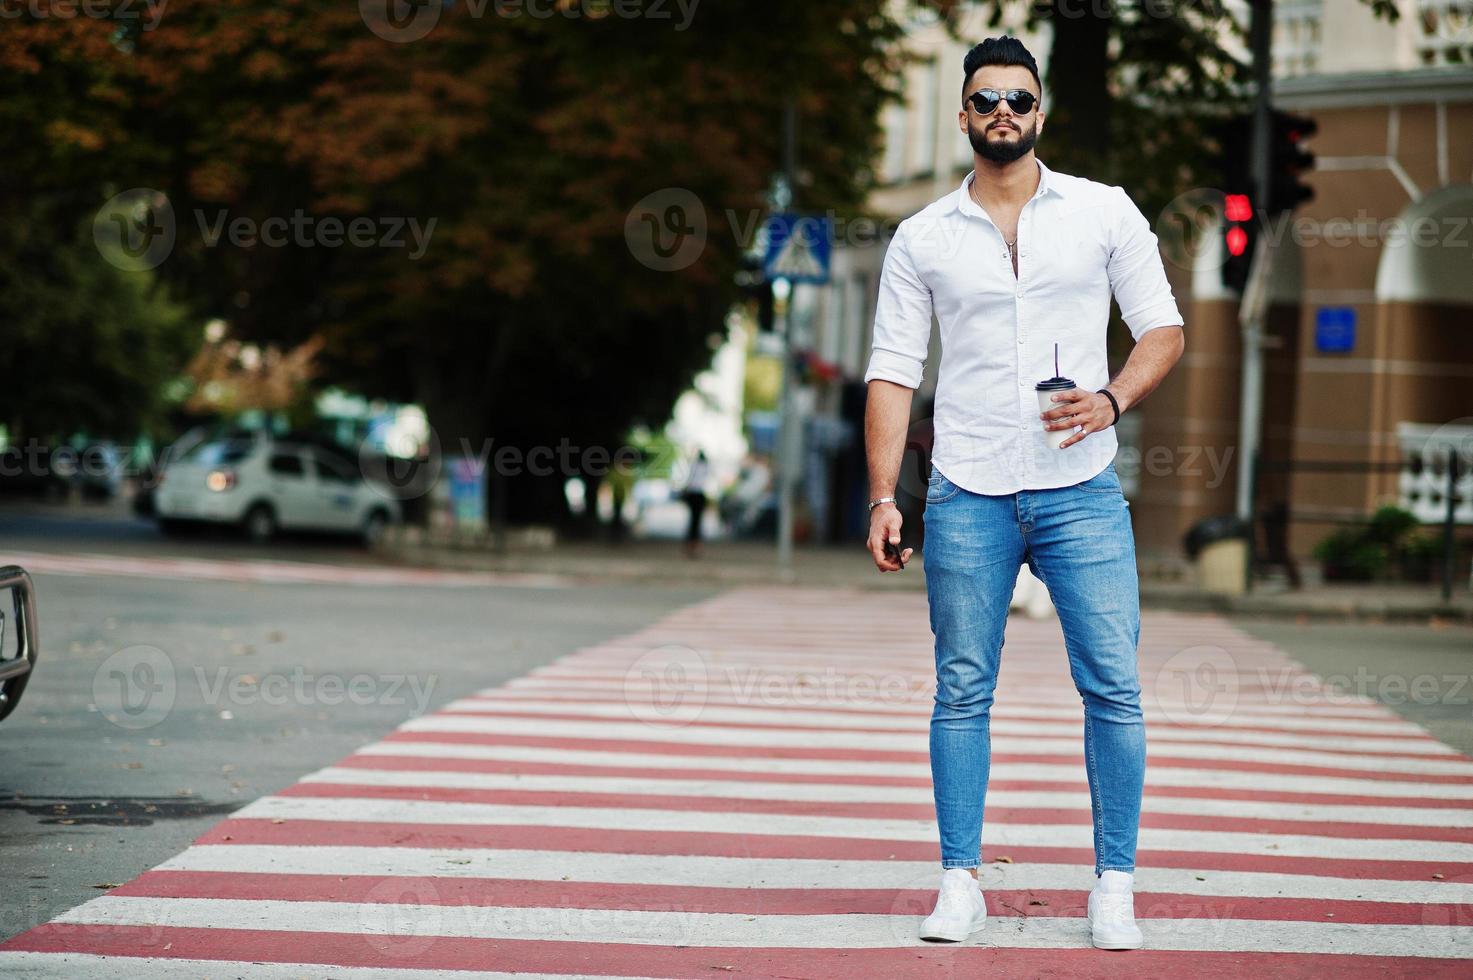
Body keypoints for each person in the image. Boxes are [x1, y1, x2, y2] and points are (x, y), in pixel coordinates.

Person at [862, 36, 1185, 950]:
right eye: (984, 98)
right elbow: (891, 371)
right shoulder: (921, 236)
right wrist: (887, 496)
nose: (1002, 110)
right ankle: (959, 881)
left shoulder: (1101, 212)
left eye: (1017, 97)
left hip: (1080, 488)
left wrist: (1113, 397)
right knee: (961, 689)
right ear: (962, 115)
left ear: (1039, 111)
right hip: (966, 487)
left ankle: (1113, 884)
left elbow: (1161, 327)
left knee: (1113, 686)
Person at [681, 450, 711, 558]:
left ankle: (691, 544)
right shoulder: (706, 466)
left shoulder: (694, 465)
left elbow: (690, 480)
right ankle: (695, 544)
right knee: (697, 521)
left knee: (693, 520)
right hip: (699, 495)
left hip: (693, 494)